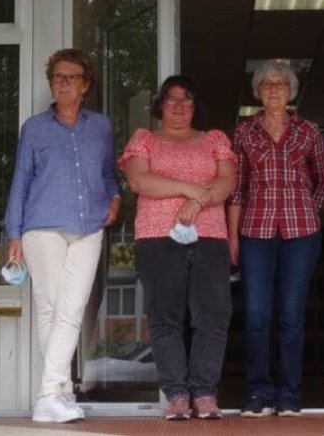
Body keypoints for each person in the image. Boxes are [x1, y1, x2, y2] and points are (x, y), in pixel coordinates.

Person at [3, 48, 122, 424]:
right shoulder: (35, 128)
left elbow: (107, 173)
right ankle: (54, 394)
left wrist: (116, 197)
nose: (63, 83)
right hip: (42, 227)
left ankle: (54, 395)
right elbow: (21, 179)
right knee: (52, 308)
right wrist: (14, 231)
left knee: (70, 309)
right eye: (57, 77)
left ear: (85, 85)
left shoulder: (101, 126)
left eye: (71, 77)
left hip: (89, 228)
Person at [120, 75, 237, 420]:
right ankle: (176, 396)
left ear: (195, 105)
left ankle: (204, 394)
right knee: (165, 318)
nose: (179, 106)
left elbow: (227, 181)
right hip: (157, 237)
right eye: (171, 100)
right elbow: (140, 181)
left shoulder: (214, 139)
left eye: (186, 99)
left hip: (210, 236)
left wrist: (198, 205)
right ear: (160, 105)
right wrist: (191, 190)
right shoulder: (144, 140)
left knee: (213, 316)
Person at [228, 59, 324, 418]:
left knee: (291, 316)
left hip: (301, 233)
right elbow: (237, 188)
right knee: (257, 315)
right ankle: (258, 394)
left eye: (281, 83)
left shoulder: (309, 131)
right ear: (258, 92)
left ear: (291, 92)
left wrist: (310, 211)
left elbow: (323, 178)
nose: (274, 88)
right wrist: (233, 237)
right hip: (256, 231)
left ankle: (289, 395)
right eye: (267, 83)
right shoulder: (244, 132)